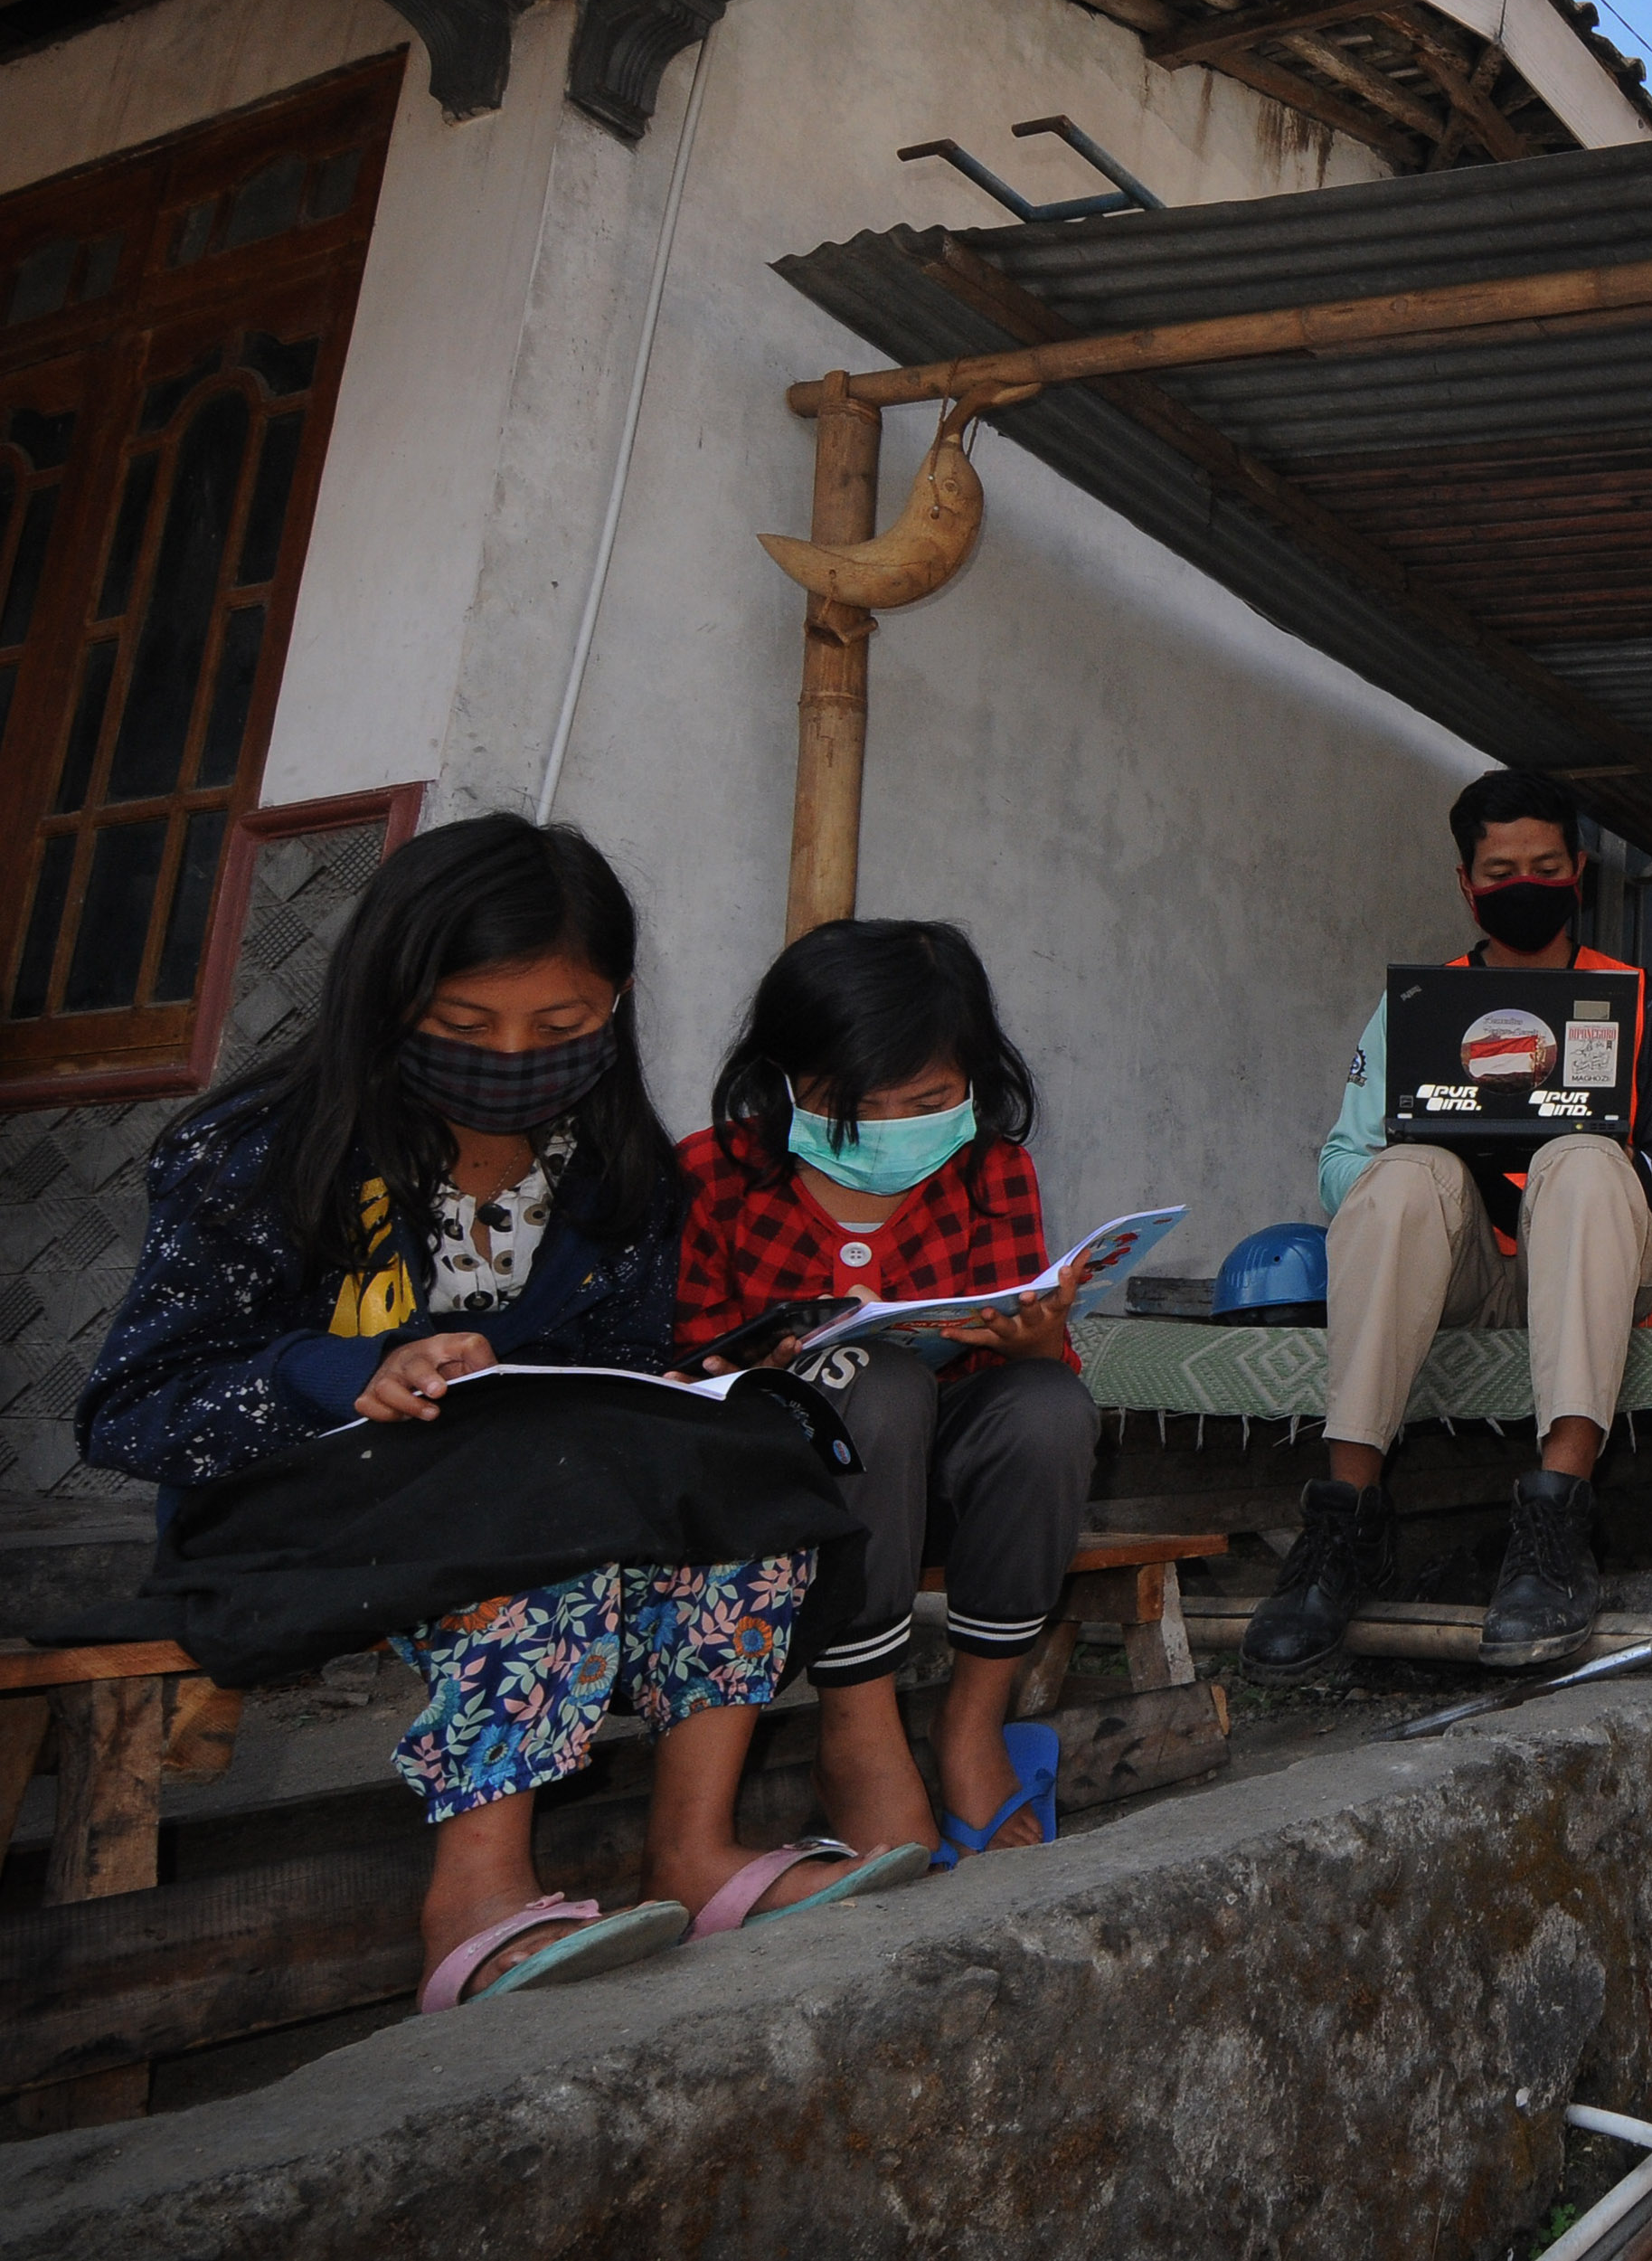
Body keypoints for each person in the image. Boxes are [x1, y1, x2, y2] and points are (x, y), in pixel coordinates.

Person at [77, 818, 920, 2011]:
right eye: (468, 1027)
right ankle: (475, 1894)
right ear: (388, 997)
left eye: (562, 1027)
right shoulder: (258, 1151)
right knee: (547, 1485)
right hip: (294, 1510)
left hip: (523, 1473)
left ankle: (696, 1849)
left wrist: (693, 1380)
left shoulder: (619, 1175)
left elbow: (611, 1369)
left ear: (615, 1006)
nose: (515, 1054)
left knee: (744, 1450)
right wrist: (338, 1371)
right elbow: (129, 1408)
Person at [1242, 769, 1652, 1682]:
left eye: (1541, 863)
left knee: (1577, 1159)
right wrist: (1451, 1157)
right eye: (1498, 869)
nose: (1520, 884)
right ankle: (1344, 1523)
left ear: (1575, 869)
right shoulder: (1421, 1009)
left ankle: (1555, 1520)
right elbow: (1342, 1164)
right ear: (1465, 882)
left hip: (1588, 1257)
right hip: (1455, 1271)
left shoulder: (1640, 999)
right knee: (1403, 1172)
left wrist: (1565, 1145)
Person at [676, 920, 1100, 1866]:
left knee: (1047, 1404)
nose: (892, 1128)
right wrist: (763, 1362)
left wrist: (1034, 1341)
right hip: (785, 1500)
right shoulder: (712, 1173)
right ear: (784, 1077)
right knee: (874, 1376)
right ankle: (856, 1733)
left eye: (929, 1100)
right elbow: (681, 1358)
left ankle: (971, 1727)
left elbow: (1018, 1375)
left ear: (976, 1080)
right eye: (850, 1104)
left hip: (937, 1496)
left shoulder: (994, 1172)